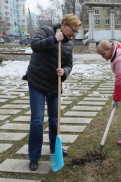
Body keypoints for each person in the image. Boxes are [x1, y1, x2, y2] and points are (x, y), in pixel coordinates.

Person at [22, 14, 82, 171]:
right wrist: (55, 39)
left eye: (76, 32)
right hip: (37, 81)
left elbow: (69, 64)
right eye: (73, 30)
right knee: (37, 119)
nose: (74, 34)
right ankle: (34, 156)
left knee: (55, 119)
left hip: (54, 84)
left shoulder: (69, 44)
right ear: (64, 24)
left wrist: (65, 71)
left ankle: (55, 149)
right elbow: (34, 45)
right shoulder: (47, 31)